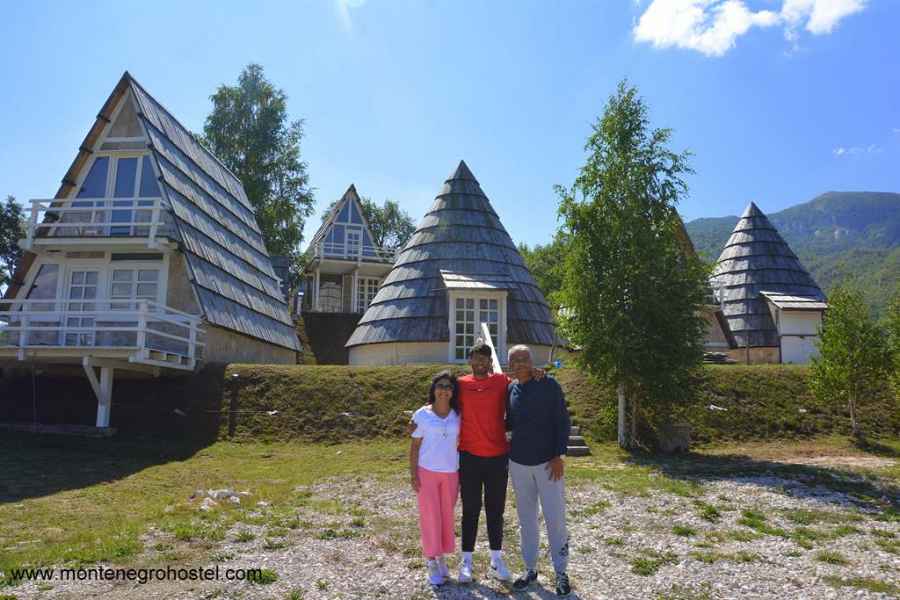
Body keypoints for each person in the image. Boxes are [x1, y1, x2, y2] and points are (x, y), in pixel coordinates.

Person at [506, 344, 573, 597]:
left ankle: (561, 572)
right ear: (510, 364)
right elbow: (508, 422)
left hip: (548, 463)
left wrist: (559, 454)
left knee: (555, 519)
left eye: (524, 359)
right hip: (519, 463)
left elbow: (562, 421)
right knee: (526, 520)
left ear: (532, 362)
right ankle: (530, 568)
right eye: (515, 360)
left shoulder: (549, 385)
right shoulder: (510, 389)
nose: (520, 363)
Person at [409, 371, 461, 586]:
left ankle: (441, 557)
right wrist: (413, 473)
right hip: (427, 471)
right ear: (433, 389)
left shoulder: (459, 414)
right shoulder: (422, 414)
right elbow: (414, 446)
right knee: (430, 517)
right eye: (440, 386)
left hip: (451, 472)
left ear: (453, 392)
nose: (444, 390)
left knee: (446, 516)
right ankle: (431, 560)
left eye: (448, 387)